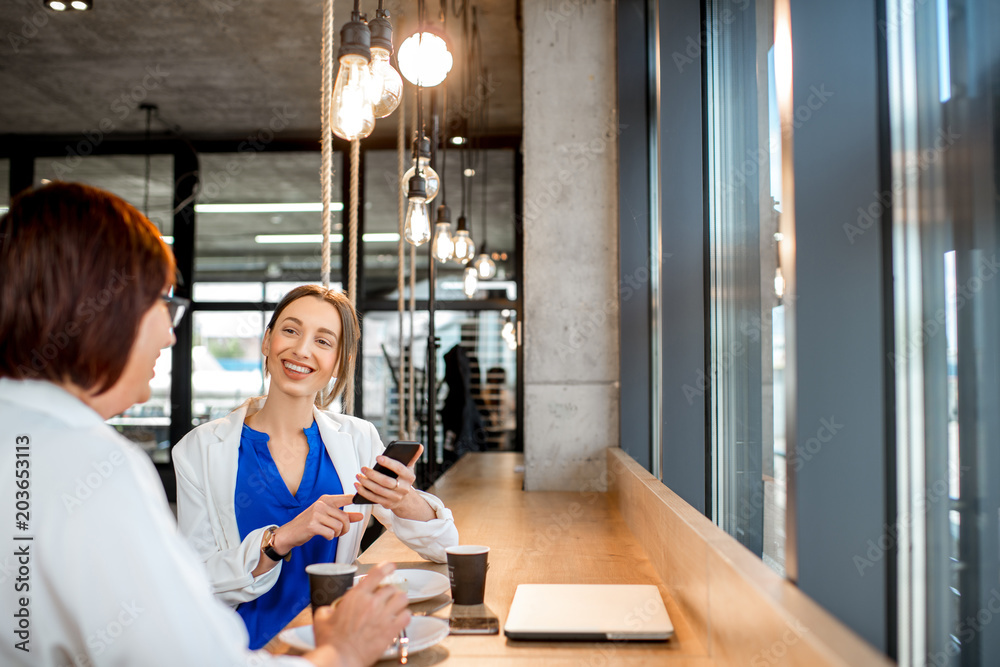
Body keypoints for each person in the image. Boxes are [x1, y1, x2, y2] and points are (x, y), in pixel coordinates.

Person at [0, 182, 409, 667]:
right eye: (161, 304)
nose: (170, 334)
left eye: (324, 341)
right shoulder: (97, 465)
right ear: (100, 312)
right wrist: (342, 652)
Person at [173, 284, 459, 649]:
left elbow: (444, 549)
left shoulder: (357, 438)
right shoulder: (199, 450)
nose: (302, 349)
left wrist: (403, 500)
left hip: (335, 645)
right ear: (267, 341)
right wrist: (279, 540)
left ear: (340, 362)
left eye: (323, 341)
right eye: (291, 331)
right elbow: (195, 582)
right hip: (244, 651)